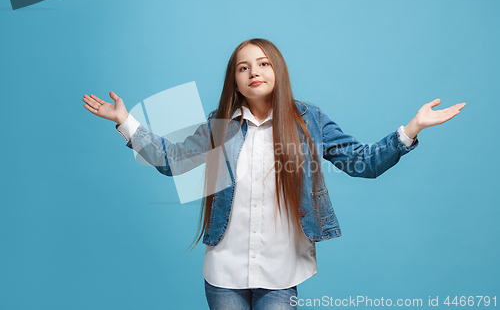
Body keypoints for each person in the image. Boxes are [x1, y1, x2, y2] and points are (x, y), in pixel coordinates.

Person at [82, 38, 466, 310]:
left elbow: (361, 162)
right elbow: (175, 160)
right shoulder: (220, 123)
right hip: (224, 270)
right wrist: (125, 121)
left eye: (263, 63)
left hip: (282, 270)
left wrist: (411, 129)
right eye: (243, 67)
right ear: (234, 80)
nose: (254, 72)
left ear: (278, 70)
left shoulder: (309, 120)